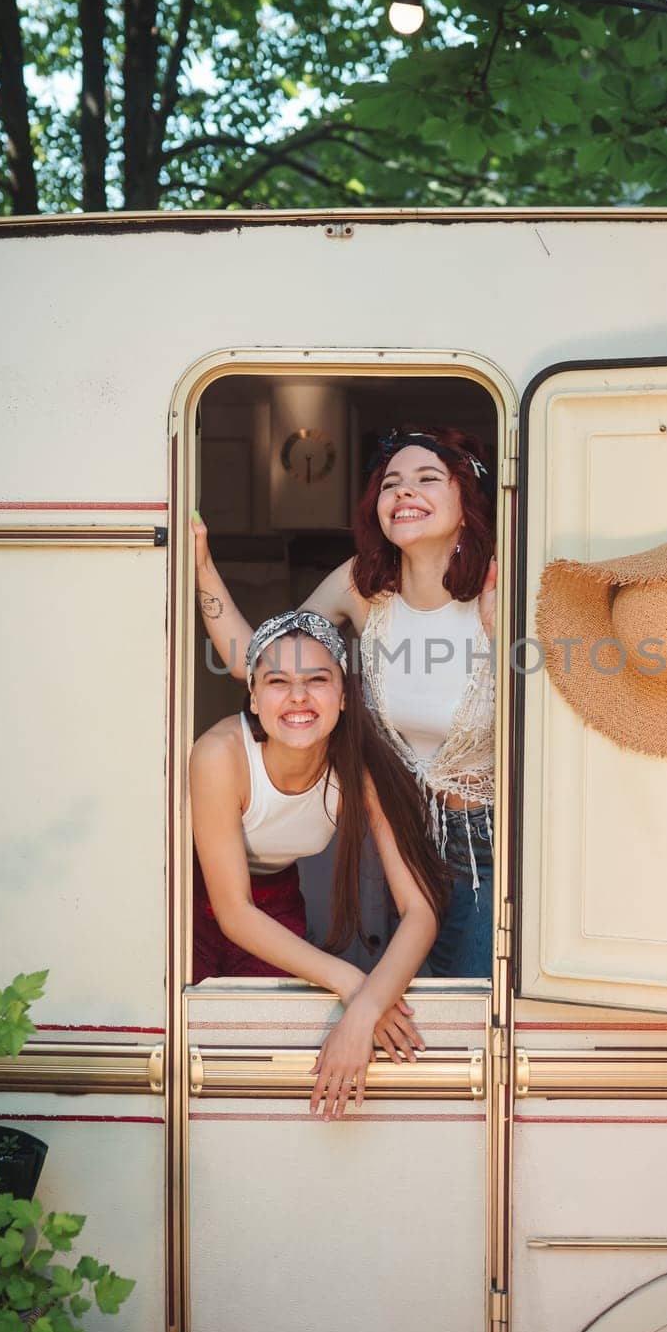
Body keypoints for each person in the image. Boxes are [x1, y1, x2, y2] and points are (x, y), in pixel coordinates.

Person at [193, 425, 497, 977]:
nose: (404, 492)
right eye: (391, 484)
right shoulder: (362, 585)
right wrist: (203, 568)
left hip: (489, 846)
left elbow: (556, 716)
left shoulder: (503, 585)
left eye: (427, 479)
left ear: (466, 501)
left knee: (472, 1006)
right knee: (432, 999)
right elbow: (260, 659)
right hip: (410, 837)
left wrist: (504, 635)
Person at [189, 609, 449, 1120]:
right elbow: (232, 911)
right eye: (278, 682)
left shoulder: (359, 767)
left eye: (317, 680)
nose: (298, 697)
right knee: (198, 1057)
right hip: (189, 905)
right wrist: (354, 983)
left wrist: (366, 1011)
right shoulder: (219, 755)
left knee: (266, 1063)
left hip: (276, 900)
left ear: (345, 696)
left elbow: (420, 910)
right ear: (254, 697)